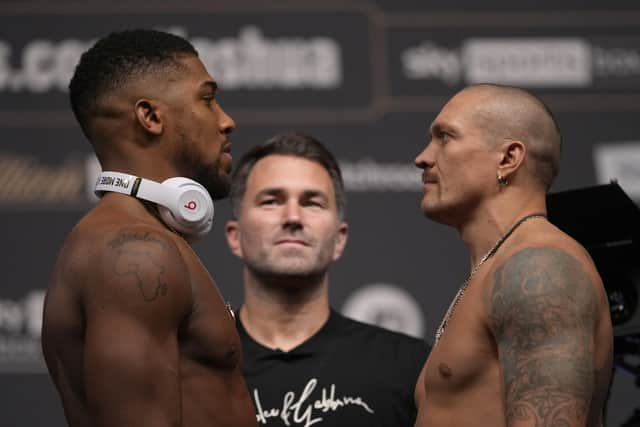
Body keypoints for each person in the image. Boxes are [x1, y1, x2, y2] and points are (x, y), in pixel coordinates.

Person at [41, 29, 256, 427]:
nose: (227, 120)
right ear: (151, 117)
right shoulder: (134, 254)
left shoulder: (132, 240)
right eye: (207, 99)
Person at [413, 83, 613, 426]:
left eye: (445, 137)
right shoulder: (497, 269)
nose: (423, 157)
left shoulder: (538, 269)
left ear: (508, 158)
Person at [224, 132, 430, 426]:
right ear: (235, 236)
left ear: (339, 240)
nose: (293, 217)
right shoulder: (192, 364)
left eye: (312, 203)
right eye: (271, 201)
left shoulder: (409, 366)